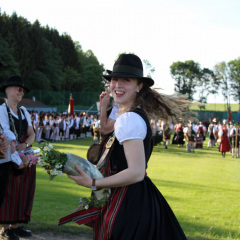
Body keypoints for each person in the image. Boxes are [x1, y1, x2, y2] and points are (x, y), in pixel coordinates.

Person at [64, 54, 197, 239]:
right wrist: (104, 108)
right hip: (125, 196)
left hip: (128, 201)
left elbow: (136, 172)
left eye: (126, 80)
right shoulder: (124, 113)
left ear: (139, 86)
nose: (117, 84)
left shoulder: (130, 118)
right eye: (114, 79)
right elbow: (105, 129)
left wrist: (93, 183)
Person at [0, 76, 35, 240]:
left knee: (23, 190)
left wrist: (26, 147)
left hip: (24, 154)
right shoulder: (1, 110)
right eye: (17, 88)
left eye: (22, 90)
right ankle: (5, 227)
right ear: (7, 90)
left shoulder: (23, 111)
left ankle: (15, 224)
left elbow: (32, 134)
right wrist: (17, 151)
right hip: (9, 155)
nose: (21, 92)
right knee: (8, 190)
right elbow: (7, 133)